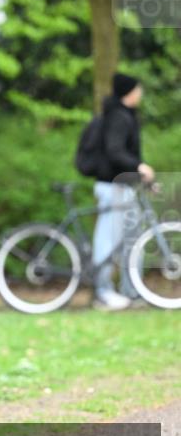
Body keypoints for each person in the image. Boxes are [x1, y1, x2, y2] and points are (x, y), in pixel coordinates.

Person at [91, 72, 154, 311]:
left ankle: (132, 290)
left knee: (132, 239)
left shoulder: (124, 115)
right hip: (112, 186)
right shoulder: (118, 117)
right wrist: (140, 167)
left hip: (123, 185)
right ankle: (103, 292)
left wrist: (142, 177)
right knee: (108, 240)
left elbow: (126, 155)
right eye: (138, 89)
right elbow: (115, 151)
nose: (141, 94)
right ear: (129, 92)